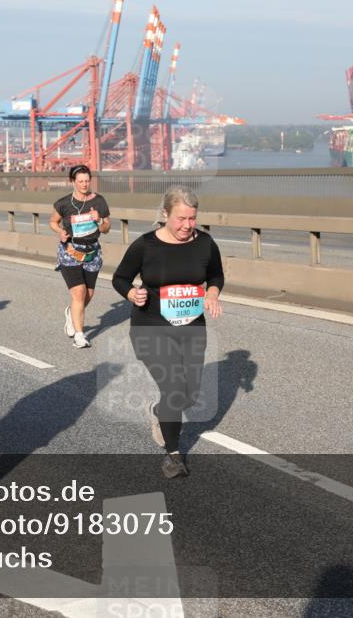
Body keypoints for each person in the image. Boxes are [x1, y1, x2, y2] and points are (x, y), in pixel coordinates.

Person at [112, 185, 224, 479]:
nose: (187, 225)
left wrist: (212, 293)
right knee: (174, 389)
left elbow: (216, 275)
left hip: (192, 327)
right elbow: (120, 278)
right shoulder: (145, 245)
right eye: (181, 218)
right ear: (165, 214)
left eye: (192, 218)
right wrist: (131, 294)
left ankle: (159, 411)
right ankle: (173, 454)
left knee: (190, 395)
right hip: (150, 326)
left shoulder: (205, 243)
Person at [49, 165, 110, 348]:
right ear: (73, 182)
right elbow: (53, 221)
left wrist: (99, 219)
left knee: (88, 295)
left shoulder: (99, 201)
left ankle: (71, 313)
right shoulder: (64, 203)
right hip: (70, 251)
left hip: (92, 252)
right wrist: (60, 232)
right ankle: (79, 335)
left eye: (87, 181)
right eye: (80, 181)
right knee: (79, 292)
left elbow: (106, 228)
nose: (84, 184)